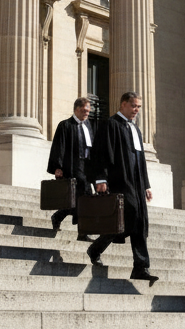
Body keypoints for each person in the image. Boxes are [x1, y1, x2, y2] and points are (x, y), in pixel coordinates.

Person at [86, 91, 156, 282]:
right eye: (134, 106)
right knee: (126, 218)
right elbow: (101, 153)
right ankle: (96, 248)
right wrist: (100, 179)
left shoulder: (135, 129)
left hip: (137, 183)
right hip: (120, 181)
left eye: (139, 107)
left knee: (139, 221)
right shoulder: (110, 125)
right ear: (123, 104)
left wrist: (146, 185)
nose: (136, 110)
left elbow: (140, 159)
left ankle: (140, 267)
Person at [46, 97, 94, 240]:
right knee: (77, 199)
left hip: (86, 167)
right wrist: (57, 167)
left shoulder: (89, 126)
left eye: (88, 111)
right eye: (85, 110)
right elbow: (58, 147)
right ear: (77, 109)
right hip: (71, 167)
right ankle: (80, 230)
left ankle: (75, 226)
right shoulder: (65, 125)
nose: (87, 113)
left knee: (84, 200)